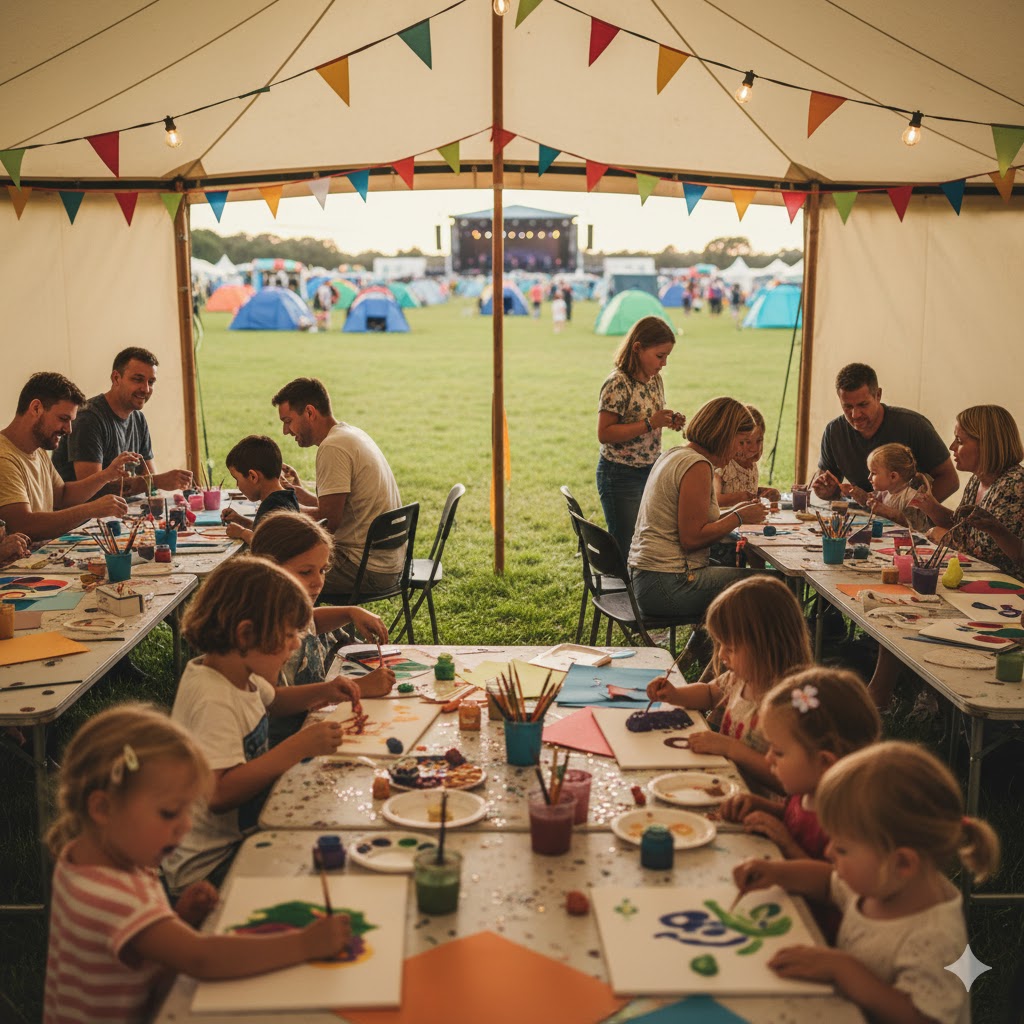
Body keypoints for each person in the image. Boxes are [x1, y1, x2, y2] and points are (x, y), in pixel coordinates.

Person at [44, 704, 350, 1024]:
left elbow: (127, 952)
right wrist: (305, 943)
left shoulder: (83, 859)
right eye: (169, 813)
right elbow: (201, 959)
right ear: (103, 808)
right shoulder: (117, 896)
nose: (186, 826)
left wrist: (177, 919)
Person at [733, 741, 1000, 1024]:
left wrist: (845, 970)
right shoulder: (882, 885)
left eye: (843, 848)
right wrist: (778, 872)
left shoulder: (935, 937)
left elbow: (925, 1017)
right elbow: (828, 883)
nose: (828, 852)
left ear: (902, 863)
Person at [162, 557, 362, 893]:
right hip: (210, 866)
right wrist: (297, 747)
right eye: (287, 635)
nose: (296, 644)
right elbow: (218, 793)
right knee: (329, 876)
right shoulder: (214, 698)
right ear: (246, 634)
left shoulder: (239, 673)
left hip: (247, 831)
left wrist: (327, 691)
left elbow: (276, 700)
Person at [644, 576, 811, 790]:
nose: (722, 654)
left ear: (767, 646)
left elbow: (786, 781)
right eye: (720, 644)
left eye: (730, 648)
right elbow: (709, 693)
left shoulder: (789, 703)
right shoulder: (740, 678)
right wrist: (675, 694)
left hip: (758, 807)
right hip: (723, 787)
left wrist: (730, 748)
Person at [249, 512, 395, 743]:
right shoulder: (262, 628)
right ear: (268, 568)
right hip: (287, 742)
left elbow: (311, 621)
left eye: (323, 570)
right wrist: (353, 687)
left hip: (315, 721)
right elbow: (273, 701)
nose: (318, 582)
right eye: (305, 572)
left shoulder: (290, 605)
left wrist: (349, 612)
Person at [717, 667, 881, 859]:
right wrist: (759, 804)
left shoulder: (844, 821)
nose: (768, 758)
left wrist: (787, 845)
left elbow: (836, 883)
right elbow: (794, 817)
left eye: (778, 752)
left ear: (824, 762)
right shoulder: (805, 790)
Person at [629, 396, 767, 619]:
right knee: (772, 586)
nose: (739, 452)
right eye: (740, 442)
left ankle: (709, 647)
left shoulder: (675, 454)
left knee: (755, 582)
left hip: (649, 578)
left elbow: (696, 520)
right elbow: (692, 539)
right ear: (724, 435)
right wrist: (738, 518)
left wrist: (736, 511)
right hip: (668, 584)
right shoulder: (697, 466)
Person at [271, 377, 402, 597]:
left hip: (365, 569)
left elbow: (328, 522)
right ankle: (330, 631)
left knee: (274, 575)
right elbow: (340, 507)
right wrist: (298, 494)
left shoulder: (333, 447)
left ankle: (316, 631)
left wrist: (279, 509)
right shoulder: (350, 433)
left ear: (310, 412)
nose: (285, 431)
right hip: (389, 563)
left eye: (288, 420)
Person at [0, 372, 131, 541]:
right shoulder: (4, 458)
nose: (68, 430)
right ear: (36, 408)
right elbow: (24, 525)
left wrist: (106, 476)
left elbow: (62, 496)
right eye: (63, 419)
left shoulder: (37, 450)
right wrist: (91, 509)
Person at [596, 316, 686, 557]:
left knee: (647, 541)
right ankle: (626, 592)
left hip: (649, 470)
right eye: (659, 356)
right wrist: (649, 423)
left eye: (667, 356)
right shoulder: (618, 383)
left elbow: (651, 417)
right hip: (619, 475)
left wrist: (668, 420)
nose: (664, 363)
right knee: (627, 546)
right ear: (637, 348)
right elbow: (604, 434)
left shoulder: (655, 380)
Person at [52, 347, 193, 495]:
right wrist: (157, 481)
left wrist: (158, 482)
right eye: (137, 379)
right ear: (116, 378)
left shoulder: (138, 419)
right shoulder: (89, 418)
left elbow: (150, 481)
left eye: (151, 382)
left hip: (122, 512)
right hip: (85, 516)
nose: (145, 389)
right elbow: (91, 492)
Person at [810, 363, 958, 503]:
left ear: (878, 395)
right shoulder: (834, 432)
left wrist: (912, 511)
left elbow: (950, 479)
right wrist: (826, 490)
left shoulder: (913, 426)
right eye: (847, 406)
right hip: (863, 518)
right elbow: (828, 483)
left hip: (908, 524)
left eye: (863, 405)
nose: (855, 414)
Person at [910, 404, 1024, 575]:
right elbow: (964, 528)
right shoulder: (977, 479)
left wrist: (947, 538)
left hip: (1008, 586)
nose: (951, 447)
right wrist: (931, 507)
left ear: (987, 445)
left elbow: (991, 554)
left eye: (960, 441)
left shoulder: (1015, 484)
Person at [220, 435, 300, 544]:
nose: (237, 485)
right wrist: (240, 520)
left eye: (237, 479)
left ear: (253, 476)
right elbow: (264, 531)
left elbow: (266, 544)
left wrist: (242, 533)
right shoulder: (286, 498)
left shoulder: (274, 507)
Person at [842, 442, 933, 533]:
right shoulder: (884, 492)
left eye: (873, 473)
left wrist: (887, 512)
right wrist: (861, 496)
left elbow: (915, 528)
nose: (869, 477)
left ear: (893, 476)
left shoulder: (912, 497)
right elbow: (871, 503)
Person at [713, 405, 781, 507]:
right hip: (726, 520)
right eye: (747, 442)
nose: (754, 448)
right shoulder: (723, 466)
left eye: (759, 441)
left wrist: (763, 493)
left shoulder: (752, 466)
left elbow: (743, 489)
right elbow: (715, 500)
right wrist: (741, 498)